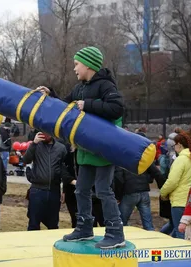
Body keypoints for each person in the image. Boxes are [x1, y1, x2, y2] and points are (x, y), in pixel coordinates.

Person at [59, 46, 125, 249]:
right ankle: (84, 228)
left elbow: (117, 109)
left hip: (103, 148)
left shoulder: (105, 86)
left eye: (77, 64)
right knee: (81, 190)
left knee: (104, 190)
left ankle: (115, 232)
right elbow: (64, 104)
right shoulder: (79, 87)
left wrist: (87, 105)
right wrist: (49, 94)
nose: (74, 69)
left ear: (88, 65)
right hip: (85, 149)